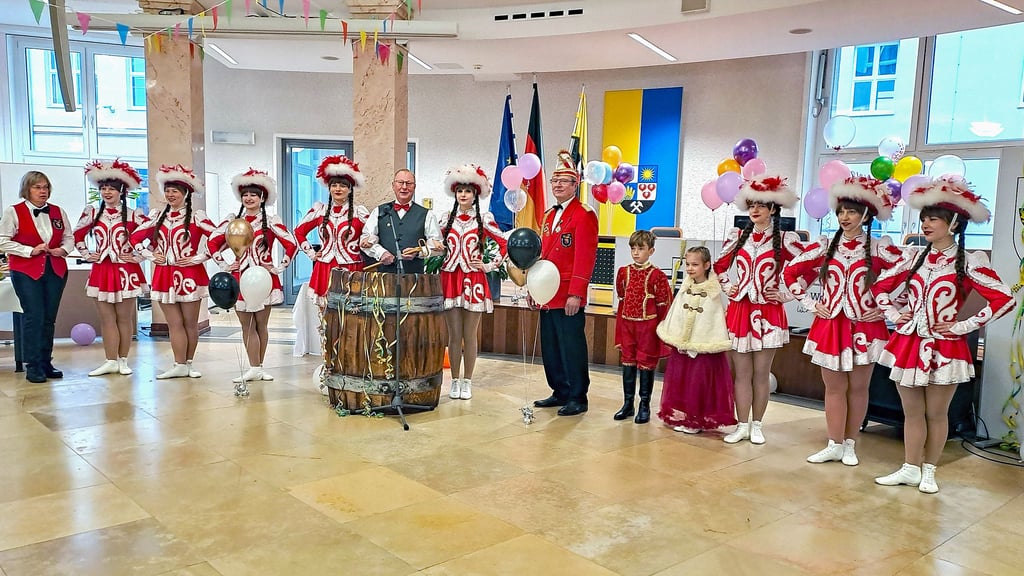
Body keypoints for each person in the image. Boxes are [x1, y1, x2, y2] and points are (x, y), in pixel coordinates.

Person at [872, 177, 1013, 493]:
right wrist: (895, 314)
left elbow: (1005, 298)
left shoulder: (970, 262)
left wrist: (963, 326)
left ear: (953, 223)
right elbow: (879, 287)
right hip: (908, 343)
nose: (926, 223)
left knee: (936, 414)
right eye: (924, 217)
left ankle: (930, 471)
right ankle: (909, 467)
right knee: (911, 413)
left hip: (945, 350)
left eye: (933, 218)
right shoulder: (912, 257)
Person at [782, 176, 901, 465]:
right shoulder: (825, 246)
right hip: (830, 325)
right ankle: (834, 443)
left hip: (865, 326)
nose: (845, 217)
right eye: (841, 211)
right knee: (834, 388)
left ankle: (850, 444)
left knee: (859, 387)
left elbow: (912, 276)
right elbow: (790, 273)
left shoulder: (879, 248)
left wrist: (887, 308)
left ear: (866, 215)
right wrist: (811, 304)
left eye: (851, 212)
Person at [713, 174, 802, 444]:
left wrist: (785, 294)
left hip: (769, 313)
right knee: (741, 373)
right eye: (751, 205)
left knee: (762, 373)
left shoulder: (786, 239)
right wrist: (730, 288)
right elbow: (719, 267)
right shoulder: (738, 236)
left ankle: (758, 424)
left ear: (773, 209)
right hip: (740, 310)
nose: (754, 210)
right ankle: (741, 424)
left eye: (761, 206)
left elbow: (807, 268)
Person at [209, 169, 297, 383]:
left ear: (262, 198)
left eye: (254, 195)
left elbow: (291, 244)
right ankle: (253, 367)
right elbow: (212, 242)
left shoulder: (271, 222)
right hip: (239, 279)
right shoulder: (233, 222)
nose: (249, 198)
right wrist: (225, 264)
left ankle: (260, 367)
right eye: (245, 195)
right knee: (246, 325)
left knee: (261, 324)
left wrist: (279, 267)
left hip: (264, 279)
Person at [130, 164, 217, 379]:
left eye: (175, 191)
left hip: (190, 276)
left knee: (190, 323)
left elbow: (218, 238)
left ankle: (188, 364)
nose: (170, 195)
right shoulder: (157, 216)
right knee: (174, 323)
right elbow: (135, 238)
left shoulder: (197, 217)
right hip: (164, 276)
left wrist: (198, 258)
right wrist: (151, 255)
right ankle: (179, 364)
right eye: (167, 191)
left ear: (185, 193)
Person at [532, 150, 599, 417]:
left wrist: (577, 294)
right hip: (547, 292)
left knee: (571, 345)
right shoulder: (548, 216)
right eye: (555, 181)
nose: (558, 185)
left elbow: (585, 257)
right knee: (551, 345)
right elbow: (541, 256)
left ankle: (577, 396)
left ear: (576, 185)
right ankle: (559, 390)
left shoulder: (584, 214)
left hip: (568, 293)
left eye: (564, 181)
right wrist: (532, 287)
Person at [438, 164, 508, 400]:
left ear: (476, 194)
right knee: (453, 335)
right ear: (455, 193)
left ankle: (467, 381)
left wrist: (489, 266)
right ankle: (454, 381)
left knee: (470, 334)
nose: (464, 195)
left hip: (474, 281)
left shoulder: (484, 219)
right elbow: (433, 244)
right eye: (460, 191)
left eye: (468, 191)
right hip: (450, 278)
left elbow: (505, 244)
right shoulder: (446, 219)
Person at [74, 159, 149, 377]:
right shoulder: (91, 213)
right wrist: (88, 254)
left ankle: (123, 360)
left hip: (126, 272)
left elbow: (151, 237)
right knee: (106, 318)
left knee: (124, 318)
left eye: (111, 188)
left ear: (121, 191)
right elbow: (77, 235)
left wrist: (137, 256)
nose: (107, 192)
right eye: (103, 188)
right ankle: (109, 360)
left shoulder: (134, 214)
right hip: (101, 271)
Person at [0, 171, 74, 383]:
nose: (43, 191)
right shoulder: (13, 212)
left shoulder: (58, 211)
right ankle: (32, 365)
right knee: (34, 316)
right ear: (27, 189)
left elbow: (69, 238)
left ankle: (45, 361)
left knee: (49, 318)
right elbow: (2, 241)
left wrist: (64, 250)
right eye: (37, 187)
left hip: (55, 269)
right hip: (25, 270)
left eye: (45, 187)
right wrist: (28, 250)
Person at [657, 245, 736, 434]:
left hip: (702, 347)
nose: (690, 268)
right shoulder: (686, 286)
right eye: (688, 264)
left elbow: (712, 319)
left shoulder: (713, 292)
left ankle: (697, 419)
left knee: (699, 383)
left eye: (695, 264)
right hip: (683, 345)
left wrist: (698, 340)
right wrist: (679, 338)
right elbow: (677, 313)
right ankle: (685, 415)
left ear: (707, 265)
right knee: (683, 382)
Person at [612, 229, 672, 423]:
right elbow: (622, 297)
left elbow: (664, 305)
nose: (636, 252)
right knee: (628, 362)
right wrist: (621, 326)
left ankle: (644, 404)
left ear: (651, 251)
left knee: (646, 363)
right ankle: (628, 403)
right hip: (628, 323)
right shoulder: (624, 272)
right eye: (633, 248)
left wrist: (661, 331)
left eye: (641, 248)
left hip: (648, 326)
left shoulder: (657, 276)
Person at [294, 155, 369, 309]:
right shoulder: (320, 211)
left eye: (343, 185)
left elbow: (373, 233)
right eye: (334, 185)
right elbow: (298, 232)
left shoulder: (359, 213)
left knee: (351, 314)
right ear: (329, 188)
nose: (338, 189)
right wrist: (311, 254)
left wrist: (367, 242)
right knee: (325, 315)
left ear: (350, 189)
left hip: (352, 268)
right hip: (324, 268)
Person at [361, 168, 442, 274]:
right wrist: (381, 253)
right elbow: (365, 240)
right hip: (384, 276)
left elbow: (437, 245)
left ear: (414, 187)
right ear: (393, 185)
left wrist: (417, 252)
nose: (404, 187)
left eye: (409, 183)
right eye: (400, 183)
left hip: (414, 276)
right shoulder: (378, 211)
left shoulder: (427, 214)